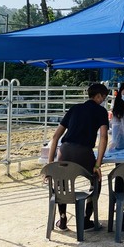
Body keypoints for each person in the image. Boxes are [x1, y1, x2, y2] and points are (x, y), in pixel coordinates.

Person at [47, 82, 110, 231]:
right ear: (98, 96)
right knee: (96, 180)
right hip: (84, 152)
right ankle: (86, 220)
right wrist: (97, 164)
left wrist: (50, 164)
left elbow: (55, 137)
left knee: (61, 183)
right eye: (104, 97)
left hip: (65, 150)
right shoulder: (101, 111)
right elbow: (103, 137)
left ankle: (63, 219)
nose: (104, 100)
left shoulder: (74, 108)